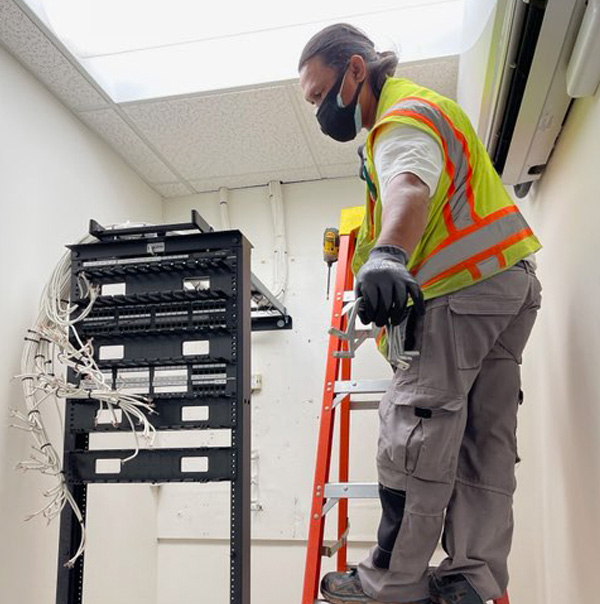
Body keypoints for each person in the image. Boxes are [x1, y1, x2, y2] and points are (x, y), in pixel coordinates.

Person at [298, 23, 542, 604]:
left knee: (415, 431)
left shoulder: (401, 118)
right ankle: (472, 578)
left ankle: (393, 580)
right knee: (485, 439)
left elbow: (409, 186)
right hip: (510, 286)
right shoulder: (436, 109)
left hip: (460, 294)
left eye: (317, 94)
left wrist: (385, 254)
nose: (318, 111)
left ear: (356, 69)